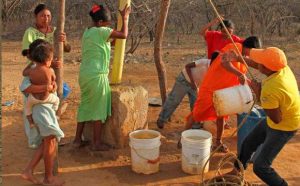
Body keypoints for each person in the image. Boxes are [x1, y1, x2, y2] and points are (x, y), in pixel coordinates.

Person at [227, 47, 300, 185]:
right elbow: (258, 65)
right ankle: (237, 171)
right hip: (285, 115)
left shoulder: (271, 89)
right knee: (248, 143)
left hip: (284, 126)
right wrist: (238, 58)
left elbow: (276, 119)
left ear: (266, 67)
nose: (257, 63)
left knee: (261, 166)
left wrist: (258, 92)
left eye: (260, 61)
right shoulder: (283, 68)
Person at [185, 36, 262, 153]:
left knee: (221, 115)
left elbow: (242, 77)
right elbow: (224, 63)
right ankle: (183, 140)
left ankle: (218, 142)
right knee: (196, 115)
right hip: (211, 88)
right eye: (253, 52)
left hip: (225, 92)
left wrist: (252, 86)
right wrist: (239, 74)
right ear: (248, 47)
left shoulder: (244, 59)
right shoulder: (234, 47)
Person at [72, 4, 131, 151]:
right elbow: (123, 35)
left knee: (85, 105)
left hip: (85, 74)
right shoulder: (101, 31)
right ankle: (96, 143)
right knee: (98, 108)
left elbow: (112, 42)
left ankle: (77, 139)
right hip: (96, 75)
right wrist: (125, 18)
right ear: (100, 23)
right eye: (107, 24)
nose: (108, 27)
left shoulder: (88, 32)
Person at [21, 3, 70, 148]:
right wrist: (44, 63)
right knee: (33, 104)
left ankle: (50, 135)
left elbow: (66, 49)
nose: (46, 18)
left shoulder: (55, 31)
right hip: (36, 70)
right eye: (42, 16)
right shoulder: (30, 32)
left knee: (50, 101)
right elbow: (26, 52)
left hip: (51, 72)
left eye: (48, 16)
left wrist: (64, 40)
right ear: (36, 17)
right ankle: (36, 139)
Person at [20, 64, 65, 185]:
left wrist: (52, 82)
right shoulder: (35, 70)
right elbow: (24, 87)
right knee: (50, 141)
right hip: (42, 112)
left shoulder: (41, 69)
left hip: (44, 111)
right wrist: (46, 87)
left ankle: (29, 171)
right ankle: (48, 178)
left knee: (49, 141)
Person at [156, 52, 220, 129]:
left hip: (195, 86)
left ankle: (195, 124)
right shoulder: (203, 62)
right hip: (184, 80)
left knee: (196, 105)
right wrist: (193, 82)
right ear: (214, 60)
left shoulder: (214, 70)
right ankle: (162, 119)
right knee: (174, 100)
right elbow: (187, 66)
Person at [23, 39, 60, 128]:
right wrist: (49, 86)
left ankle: (30, 122)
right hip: (47, 98)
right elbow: (54, 80)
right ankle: (56, 114)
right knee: (57, 101)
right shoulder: (50, 70)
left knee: (27, 108)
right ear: (48, 60)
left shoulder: (31, 70)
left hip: (33, 99)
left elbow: (24, 73)